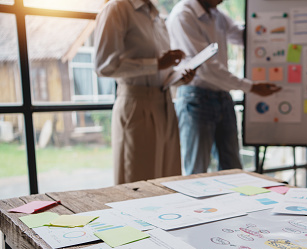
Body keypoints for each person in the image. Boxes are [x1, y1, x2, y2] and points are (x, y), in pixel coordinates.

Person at [166, 0, 281, 175]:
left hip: (222, 97)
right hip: (196, 98)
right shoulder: (184, 15)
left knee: (233, 170)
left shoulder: (216, 15)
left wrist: (270, 23)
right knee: (196, 172)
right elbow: (206, 68)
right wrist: (250, 87)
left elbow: (243, 36)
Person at [94, 0, 195, 184]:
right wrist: (156, 64)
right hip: (136, 103)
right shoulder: (117, 9)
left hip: (165, 104)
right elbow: (103, 66)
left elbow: (161, 71)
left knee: (168, 181)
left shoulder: (157, 17)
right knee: (137, 183)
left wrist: (179, 77)